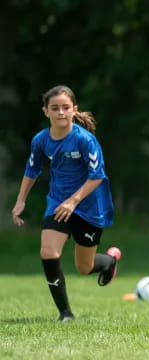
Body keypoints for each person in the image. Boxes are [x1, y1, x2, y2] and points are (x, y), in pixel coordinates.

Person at [11, 85, 120, 322]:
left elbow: (97, 175)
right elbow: (32, 169)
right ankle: (65, 313)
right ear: (45, 112)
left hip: (90, 207)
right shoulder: (41, 140)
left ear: (74, 110)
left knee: (84, 267)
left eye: (65, 108)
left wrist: (74, 201)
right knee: (48, 252)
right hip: (58, 203)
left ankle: (110, 261)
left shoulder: (85, 140)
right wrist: (20, 200)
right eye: (55, 108)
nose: (61, 112)